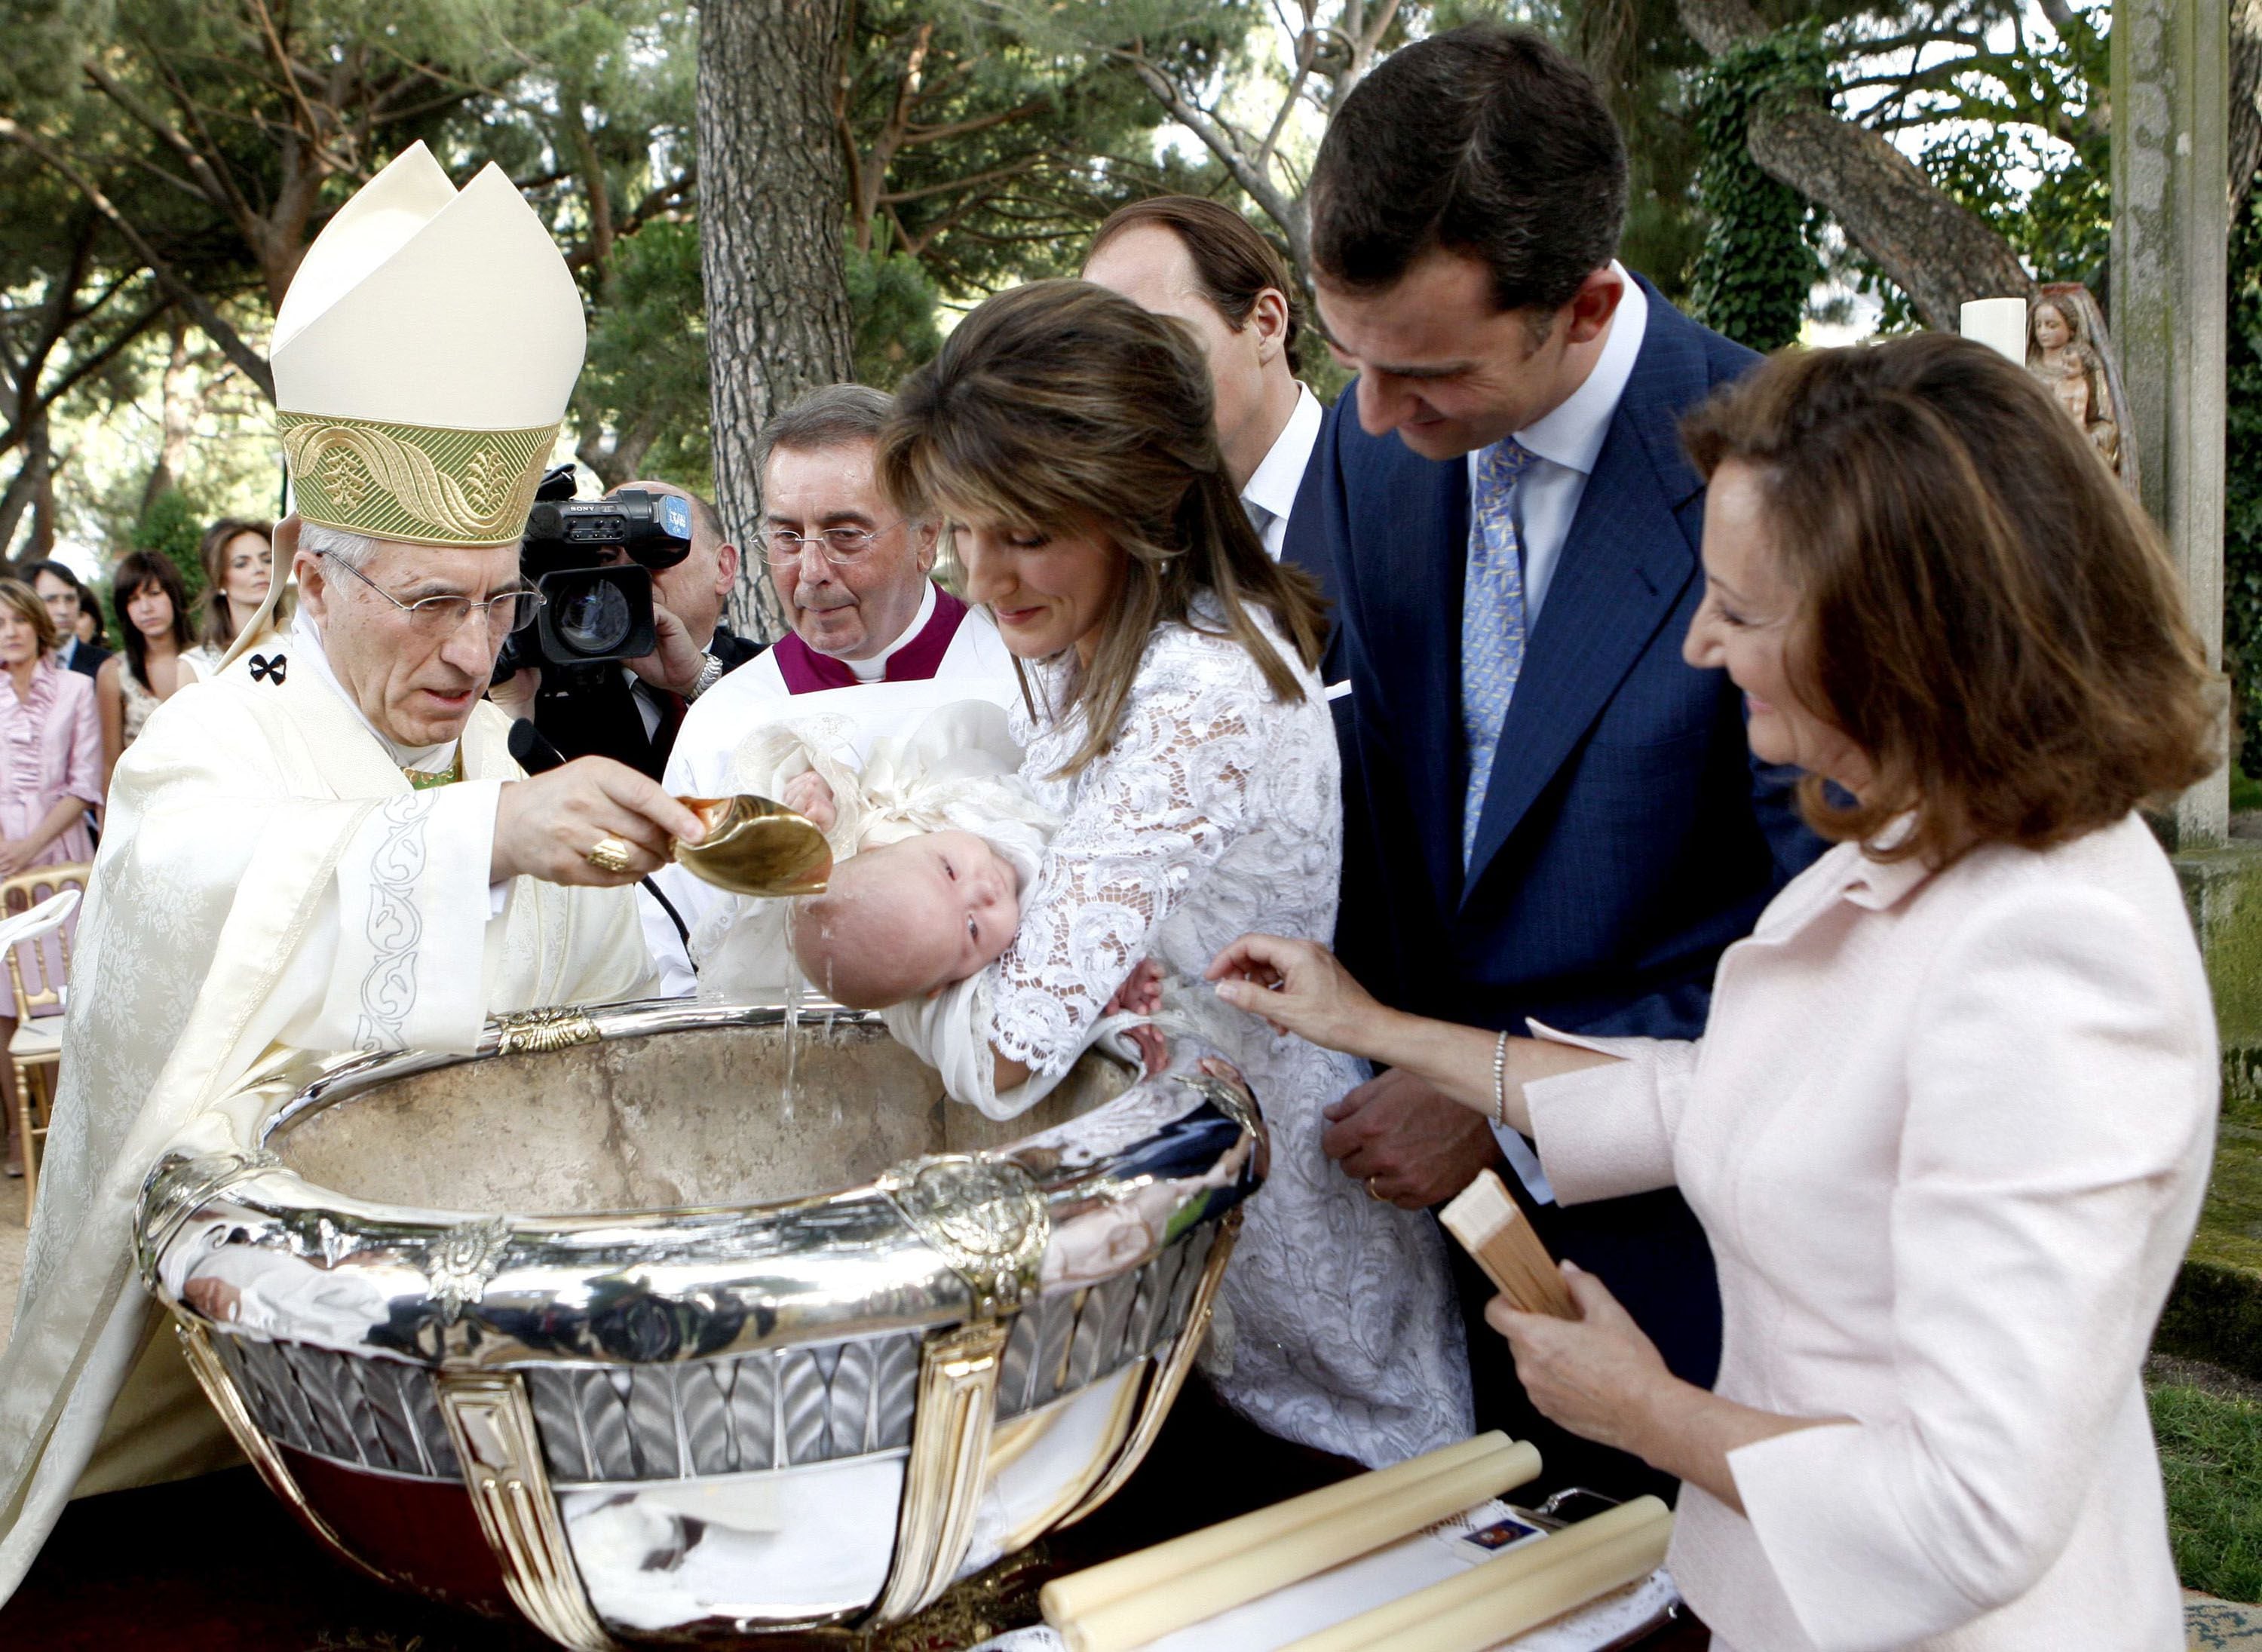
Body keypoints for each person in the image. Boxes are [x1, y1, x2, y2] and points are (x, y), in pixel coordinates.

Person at [1212, 334, 2217, 1650]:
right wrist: (1372, 1026)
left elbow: (1974, 1513)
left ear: (1892, 634)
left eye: (1740, 611)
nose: (1698, 644)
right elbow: (1730, 1094)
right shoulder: (1923, 839)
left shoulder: (2056, 953)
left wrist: (1642, 1410)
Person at [0, 141, 703, 1604]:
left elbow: (589, 1022)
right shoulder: (203, 748)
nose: (470, 651)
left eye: (501, 600)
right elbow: (204, 913)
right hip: (201, 1433)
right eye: (431, 601)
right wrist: (479, 851)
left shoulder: (484, 762)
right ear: (309, 579)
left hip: (466, 1417)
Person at [1280, 23, 1821, 1494]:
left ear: (1584, 303)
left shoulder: (1784, 479)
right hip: (1412, 1246)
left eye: (1432, 374)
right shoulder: (1370, 448)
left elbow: (1826, 943)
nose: (1379, 419)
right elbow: (1359, 803)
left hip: (1685, 1267)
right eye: (1353, 362)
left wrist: (1506, 1096)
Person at [878, 279, 1470, 1470]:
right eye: (961, 531)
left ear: (1137, 500)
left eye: (1026, 530)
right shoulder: (1085, 649)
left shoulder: (1204, 684)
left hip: (1295, 1284)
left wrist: (870, 949)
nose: (983, 573)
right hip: (1166, 1275)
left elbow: (1007, 1048)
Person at [645, 385, 1017, 993]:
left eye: (846, 535)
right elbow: (671, 948)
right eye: (788, 537)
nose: (811, 572)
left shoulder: (1020, 680)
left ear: (927, 536)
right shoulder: (725, 722)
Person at [688, 698, 1053, 1004]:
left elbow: (856, 840)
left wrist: (829, 804)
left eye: (950, 871)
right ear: (942, 988)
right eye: (972, 928)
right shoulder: (1038, 936)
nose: (985, 889)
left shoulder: (920, 809)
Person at [1083, 196, 1320, 559]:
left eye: (1157, 338)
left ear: (1266, 325)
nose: (1126, 378)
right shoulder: (1125, 542)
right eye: (1104, 351)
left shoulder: (1406, 487)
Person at [498, 477, 762, 781]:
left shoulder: (773, 672)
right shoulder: (535, 686)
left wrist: (697, 681)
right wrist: (512, 713)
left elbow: (804, 745)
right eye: (606, 557)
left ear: (724, 568)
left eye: (657, 549)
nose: (626, 572)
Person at [0, 579, 100, 1178]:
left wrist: (30, 849)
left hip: (58, 859)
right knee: (4, 1008)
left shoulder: (77, 689)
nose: (7, 630)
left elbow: (85, 780)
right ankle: (18, 1135)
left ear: (38, 624)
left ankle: (67, 1138)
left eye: (16, 618)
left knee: (62, 998)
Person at [94, 551, 204, 793]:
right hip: (141, 805)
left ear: (174, 594)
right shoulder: (114, 672)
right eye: (133, 599)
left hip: (204, 798)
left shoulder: (209, 660)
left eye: (154, 593)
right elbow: (110, 763)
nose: (146, 608)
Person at [185, 517, 277, 671]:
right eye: (241, 564)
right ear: (219, 580)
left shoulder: (305, 644)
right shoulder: (196, 665)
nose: (259, 569)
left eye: (267, 560)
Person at [22, 562, 109, 680]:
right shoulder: (10, 665)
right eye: (51, 600)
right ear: (28, 604)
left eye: (70, 599)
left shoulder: (107, 665)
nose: (63, 611)